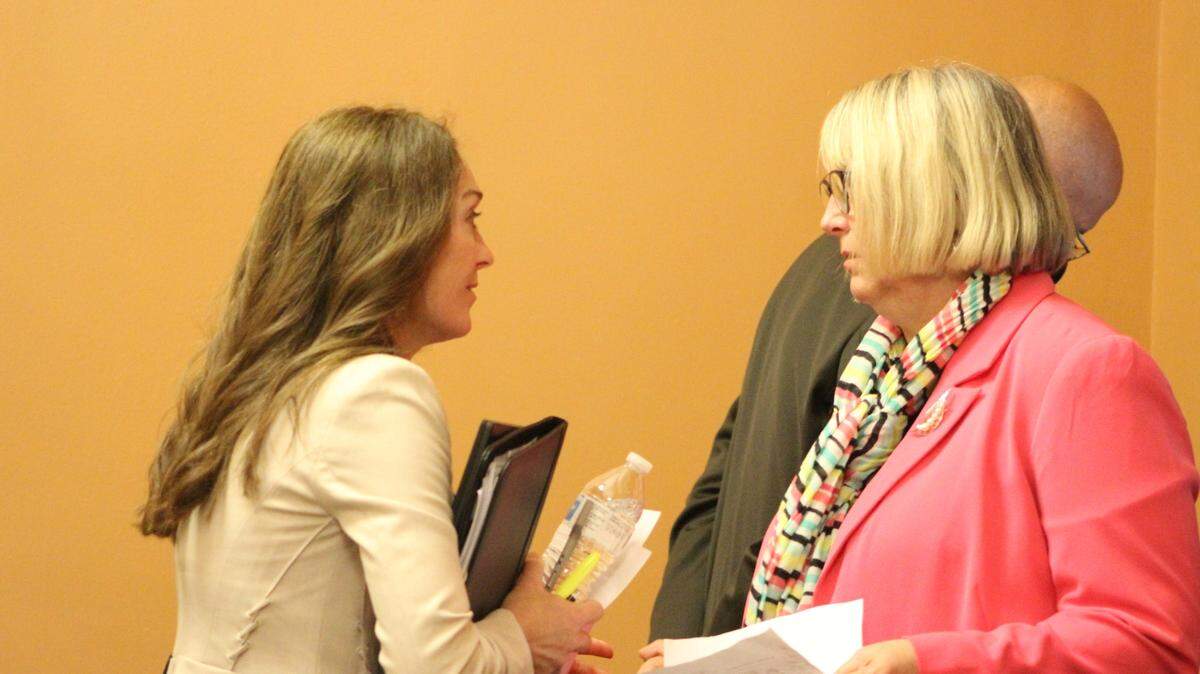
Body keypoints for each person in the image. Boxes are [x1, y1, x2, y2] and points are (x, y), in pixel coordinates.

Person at [655, 63, 1200, 672]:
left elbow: (1151, 645)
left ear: (936, 196)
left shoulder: (1089, 369)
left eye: (849, 189)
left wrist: (927, 663)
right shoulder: (881, 377)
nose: (830, 219)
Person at [140, 107, 612, 674]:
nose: (485, 253)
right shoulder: (376, 392)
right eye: (470, 218)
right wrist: (527, 637)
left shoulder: (258, 385)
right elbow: (435, 666)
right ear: (398, 233)